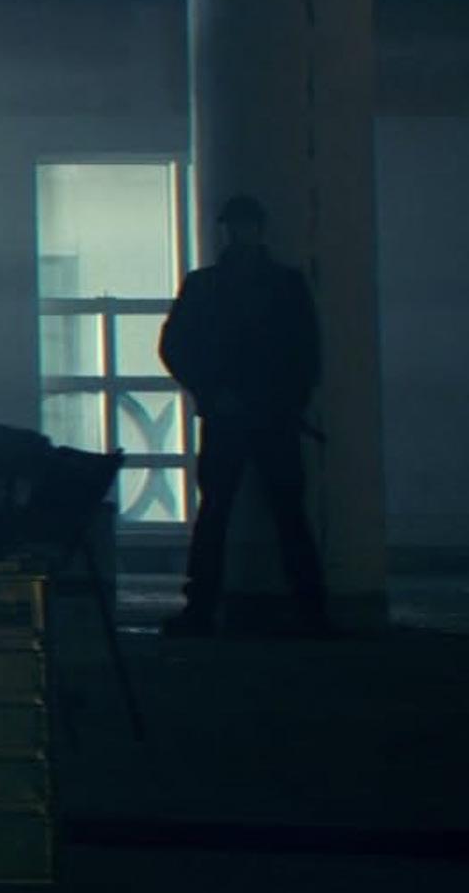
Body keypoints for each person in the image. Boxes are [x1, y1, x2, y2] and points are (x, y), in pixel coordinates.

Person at [158, 194, 332, 637]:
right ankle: (310, 610)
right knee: (282, 512)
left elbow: (176, 346)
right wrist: (286, 401)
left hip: (236, 414)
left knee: (221, 512)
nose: (240, 232)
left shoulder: (207, 286)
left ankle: (202, 609)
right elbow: (306, 351)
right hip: (266, 414)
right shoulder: (283, 284)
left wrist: (212, 392)